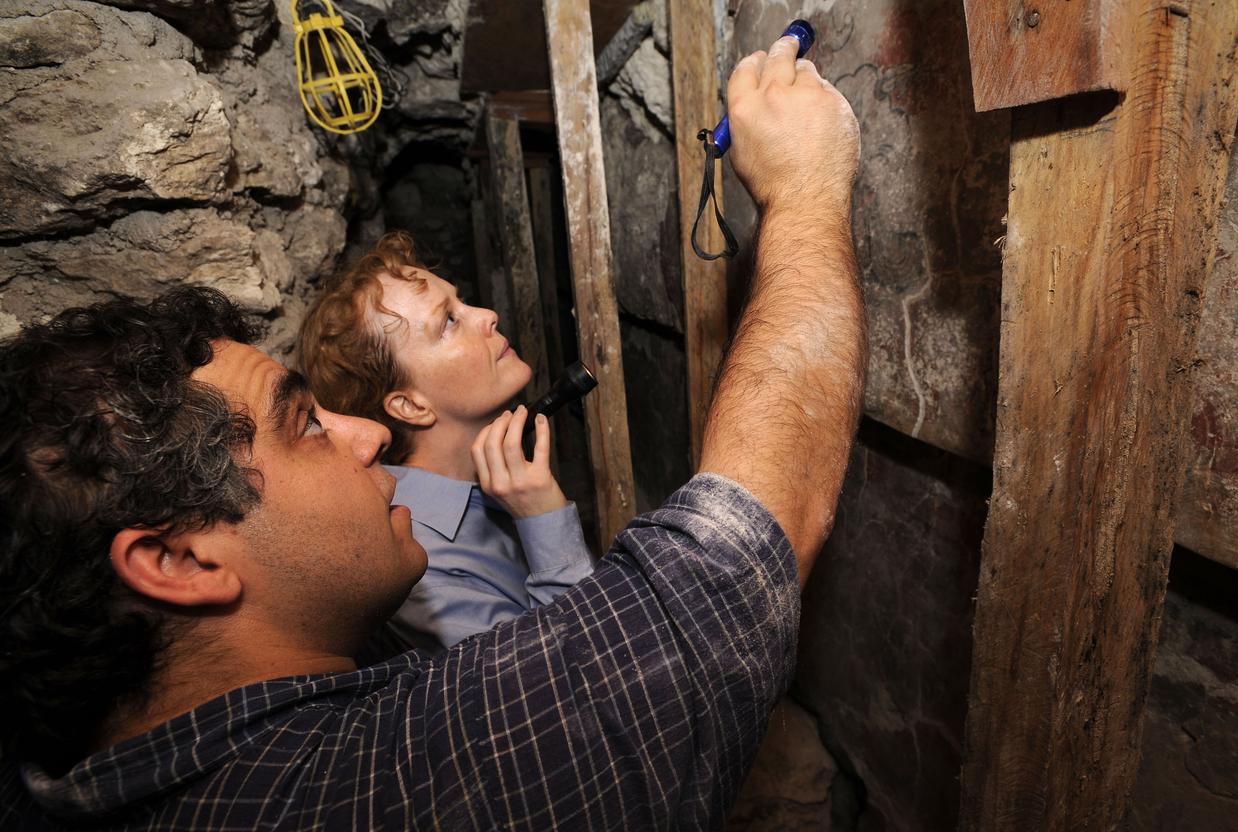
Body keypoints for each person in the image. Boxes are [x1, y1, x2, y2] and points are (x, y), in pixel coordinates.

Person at [0, 36, 863, 829]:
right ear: (179, 563)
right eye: (301, 426)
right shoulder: (380, 791)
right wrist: (804, 189)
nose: (364, 438)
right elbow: (725, 569)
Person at [296, 231, 594, 655]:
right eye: (449, 321)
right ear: (410, 406)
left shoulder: (494, 485)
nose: (487, 315)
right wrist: (545, 520)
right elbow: (570, 690)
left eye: (462, 302)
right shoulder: (421, 570)